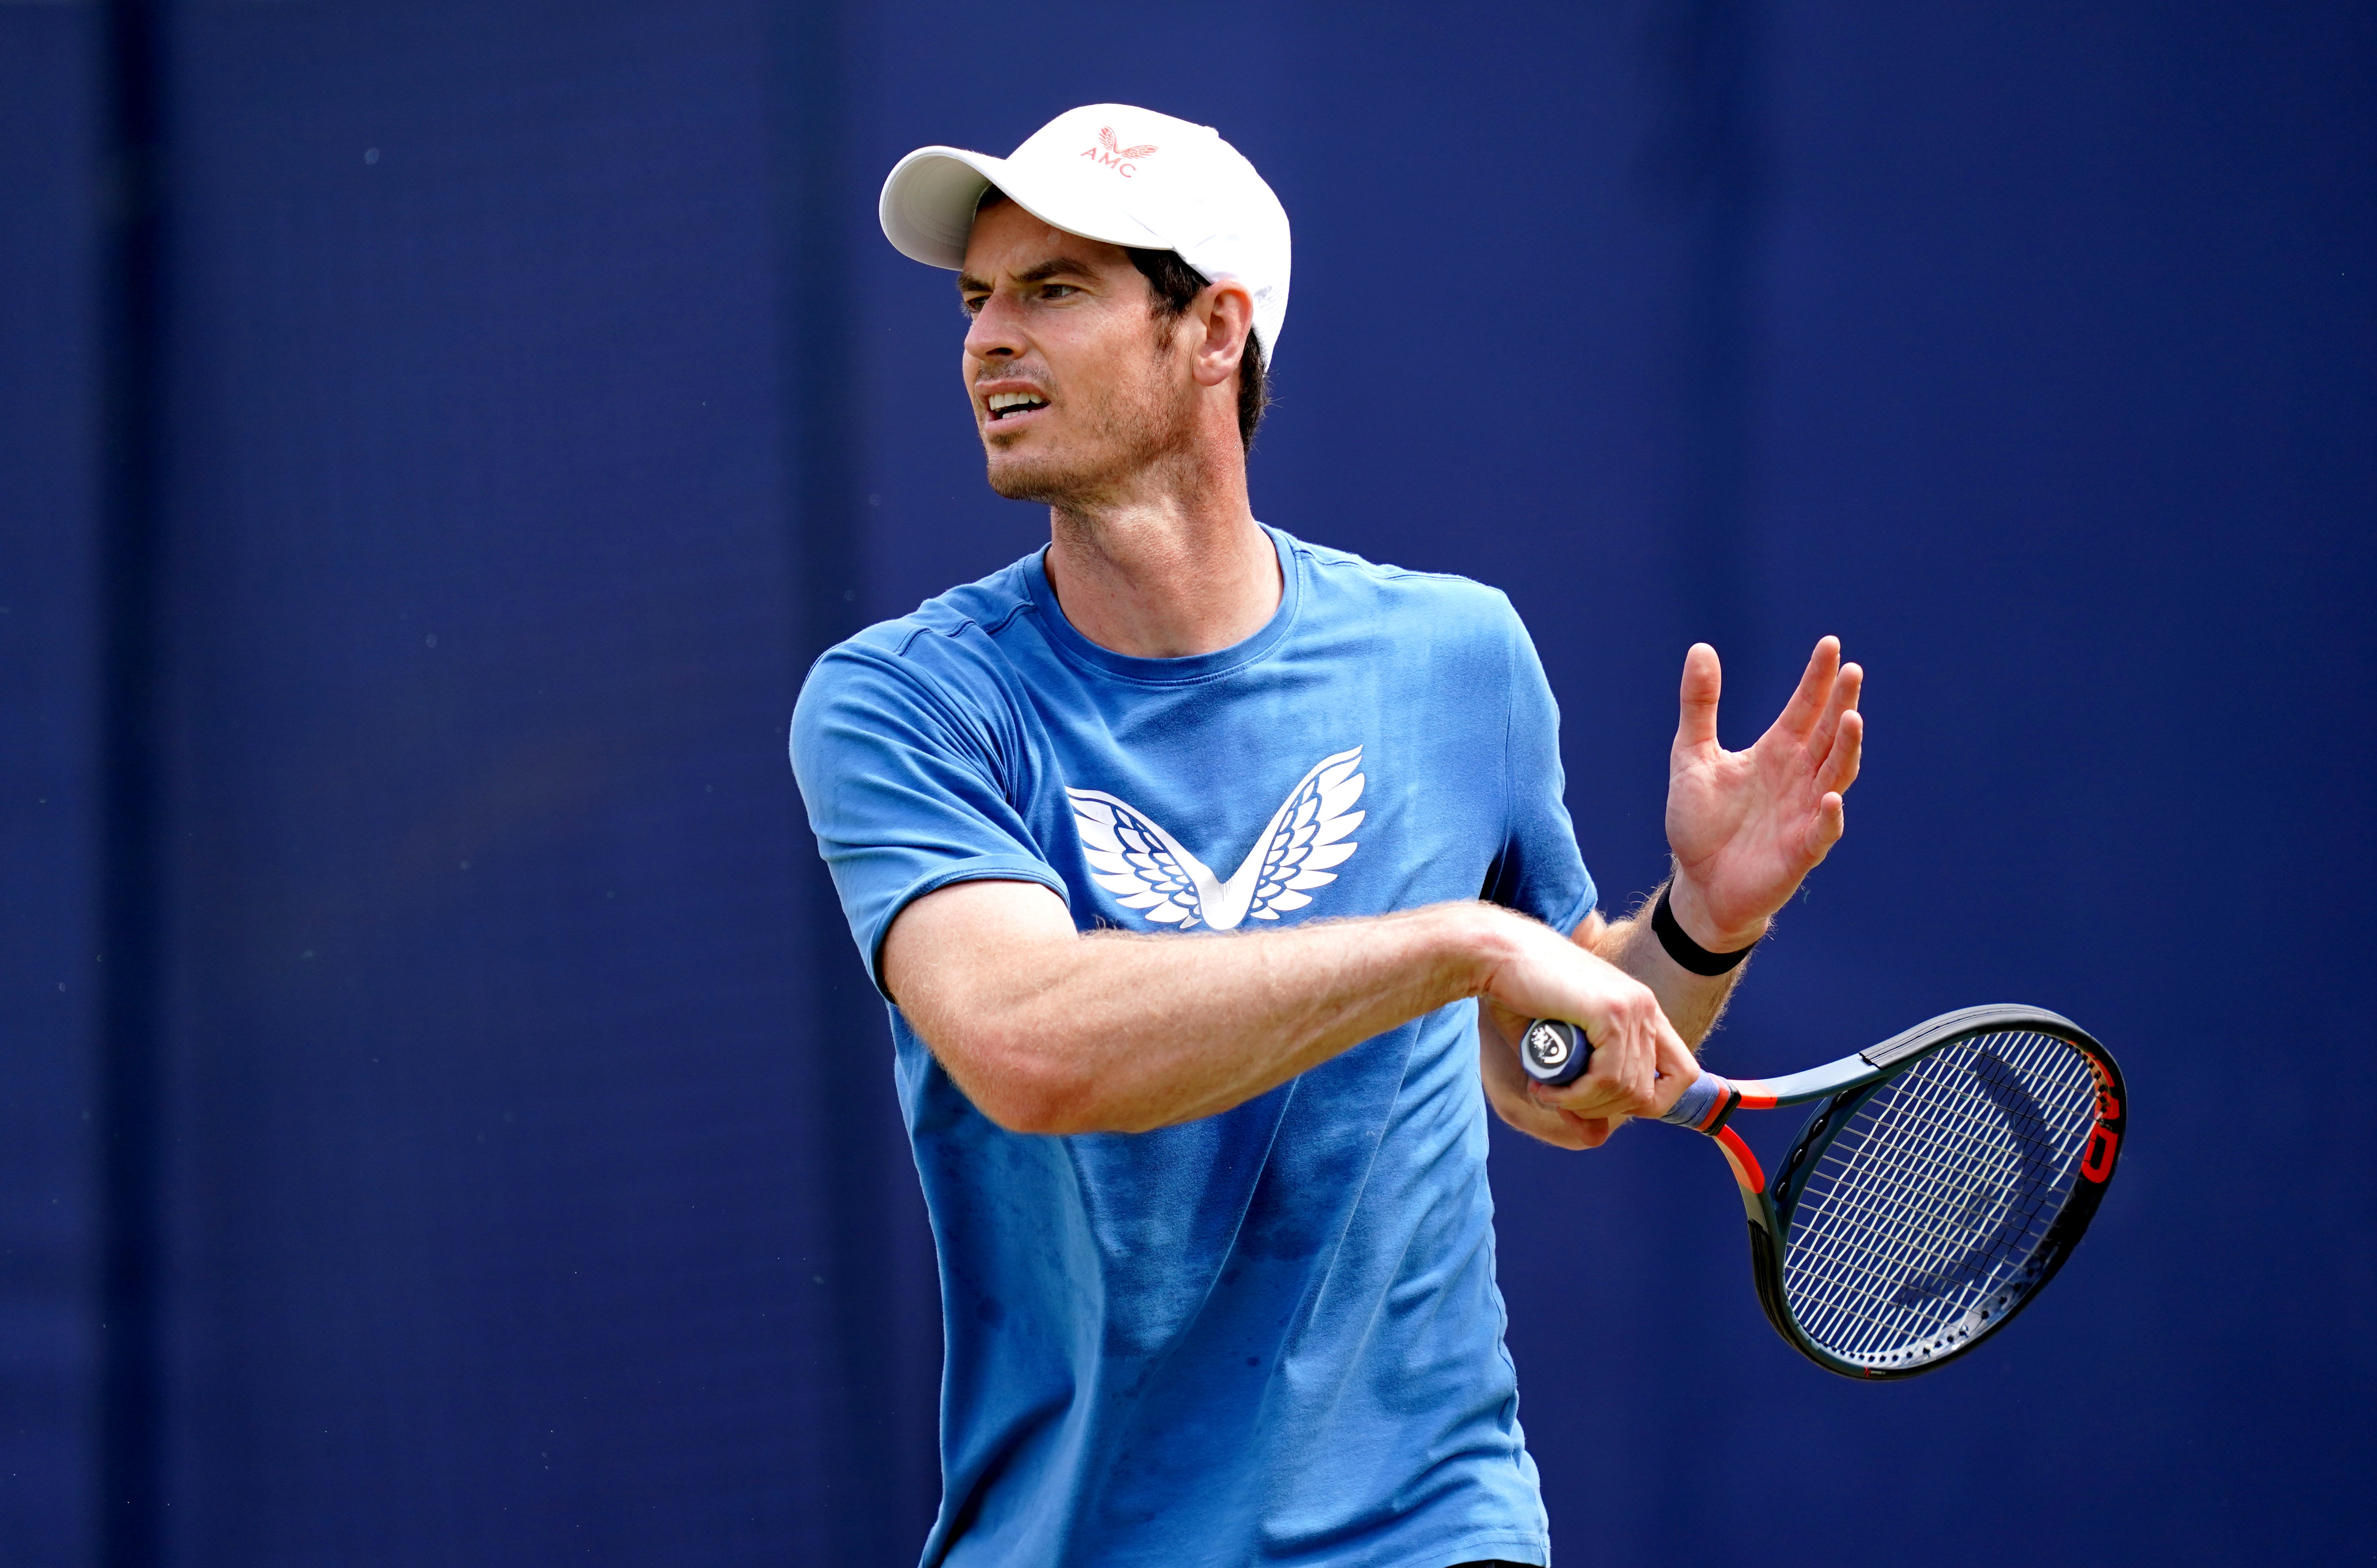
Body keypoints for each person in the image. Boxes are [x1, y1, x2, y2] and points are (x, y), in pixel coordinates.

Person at [792, 104, 1863, 1568]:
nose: (987, 340)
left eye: (1054, 290)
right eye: (977, 298)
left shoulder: (1458, 657)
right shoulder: (901, 705)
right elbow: (1031, 1045)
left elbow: (1556, 1082)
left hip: (1421, 1526)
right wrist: (1459, 946)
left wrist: (1698, 922)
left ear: (1214, 330)